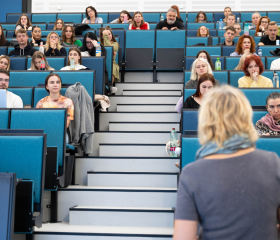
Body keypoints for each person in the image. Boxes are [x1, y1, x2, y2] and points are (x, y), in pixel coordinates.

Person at [174, 85, 280, 240]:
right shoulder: (273, 163)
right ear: (245, 117)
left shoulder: (192, 174)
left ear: (206, 120)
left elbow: (183, 237)